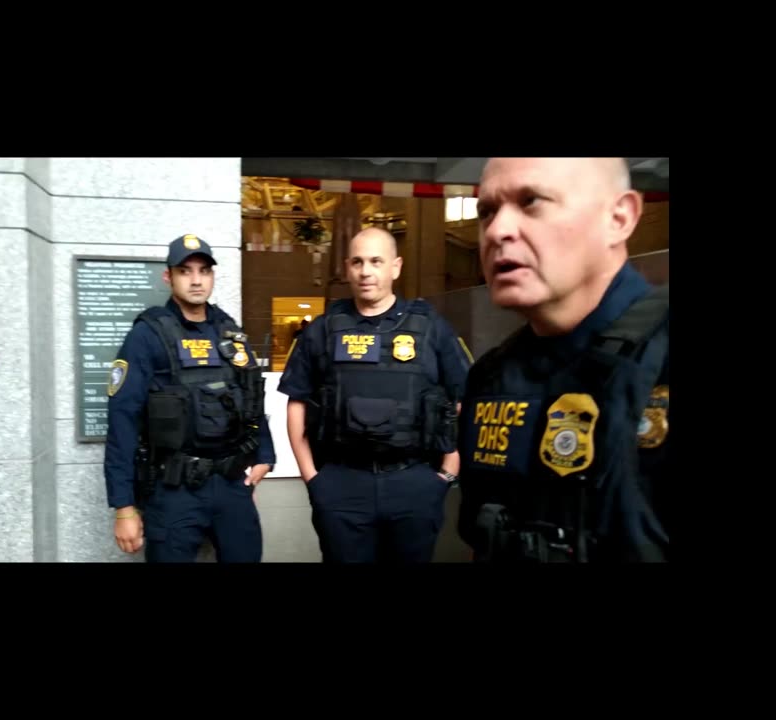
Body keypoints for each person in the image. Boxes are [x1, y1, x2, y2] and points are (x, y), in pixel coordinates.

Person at [457, 157, 670, 563]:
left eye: (532, 201)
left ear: (619, 217)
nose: (497, 230)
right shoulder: (491, 377)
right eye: (487, 211)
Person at [279, 227, 474, 563]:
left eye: (375, 261)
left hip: (414, 481)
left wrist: (447, 473)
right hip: (341, 483)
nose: (365, 271)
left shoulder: (431, 328)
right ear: (347, 267)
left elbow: (462, 399)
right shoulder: (323, 330)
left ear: (395, 267)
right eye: (357, 262)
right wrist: (313, 479)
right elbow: (297, 401)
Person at [103, 234, 275, 562]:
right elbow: (122, 419)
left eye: (204, 271)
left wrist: (265, 454)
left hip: (230, 485)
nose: (196, 280)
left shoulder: (229, 331)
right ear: (168, 276)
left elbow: (252, 395)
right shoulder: (148, 335)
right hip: (173, 490)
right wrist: (123, 507)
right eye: (185, 271)